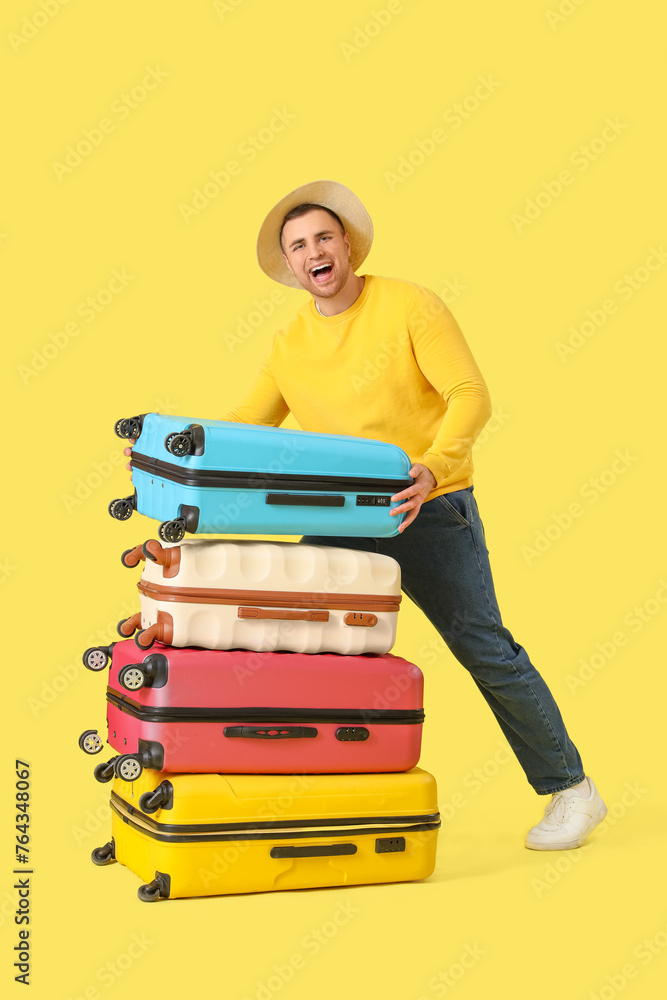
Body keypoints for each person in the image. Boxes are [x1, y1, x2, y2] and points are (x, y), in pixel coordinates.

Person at [125, 179, 607, 850]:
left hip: (427, 504)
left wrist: (435, 464)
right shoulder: (290, 342)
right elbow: (239, 428)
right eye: (298, 246)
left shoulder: (408, 304)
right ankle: (321, 790)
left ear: (345, 244)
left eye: (323, 237)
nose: (313, 252)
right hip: (339, 515)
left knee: (484, 648)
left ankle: (571, 790)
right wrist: (161, 453)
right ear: (290, 267)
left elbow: (469, 394)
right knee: (299, 647)